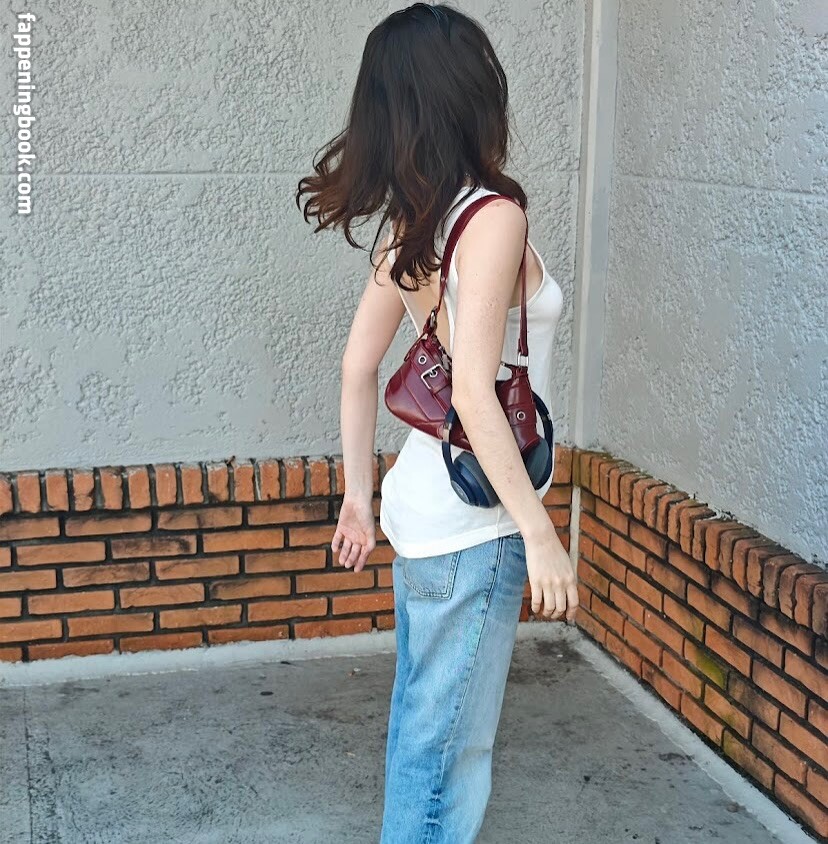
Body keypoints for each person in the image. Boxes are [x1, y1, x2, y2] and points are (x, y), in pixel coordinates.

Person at [296, 4, 578, 840]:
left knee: (422, 731)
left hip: (421, 511)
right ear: (467, 94)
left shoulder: (416, 224)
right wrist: (540, 535)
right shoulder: (492, 216)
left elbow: (357, 368)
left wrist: (358, 499)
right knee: (448, 756)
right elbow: (473, 397)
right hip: (476, 522)